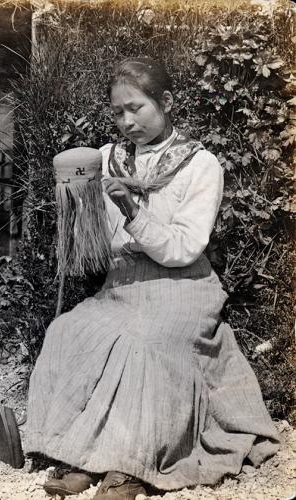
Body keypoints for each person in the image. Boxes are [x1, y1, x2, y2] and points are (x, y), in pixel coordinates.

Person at [24, 57, 280, 500]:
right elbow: (94, 241)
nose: (127, 121)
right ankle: (82, 455)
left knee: (146, 344)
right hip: (123, 282)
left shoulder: (201, 165)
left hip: (183, 285)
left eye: (137, 108)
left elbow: (183, 248)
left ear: (166, 102)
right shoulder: (104, 159)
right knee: (69, 331)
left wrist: (134, 213)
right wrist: (75, 200)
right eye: (118, 111)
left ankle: (130, 465)